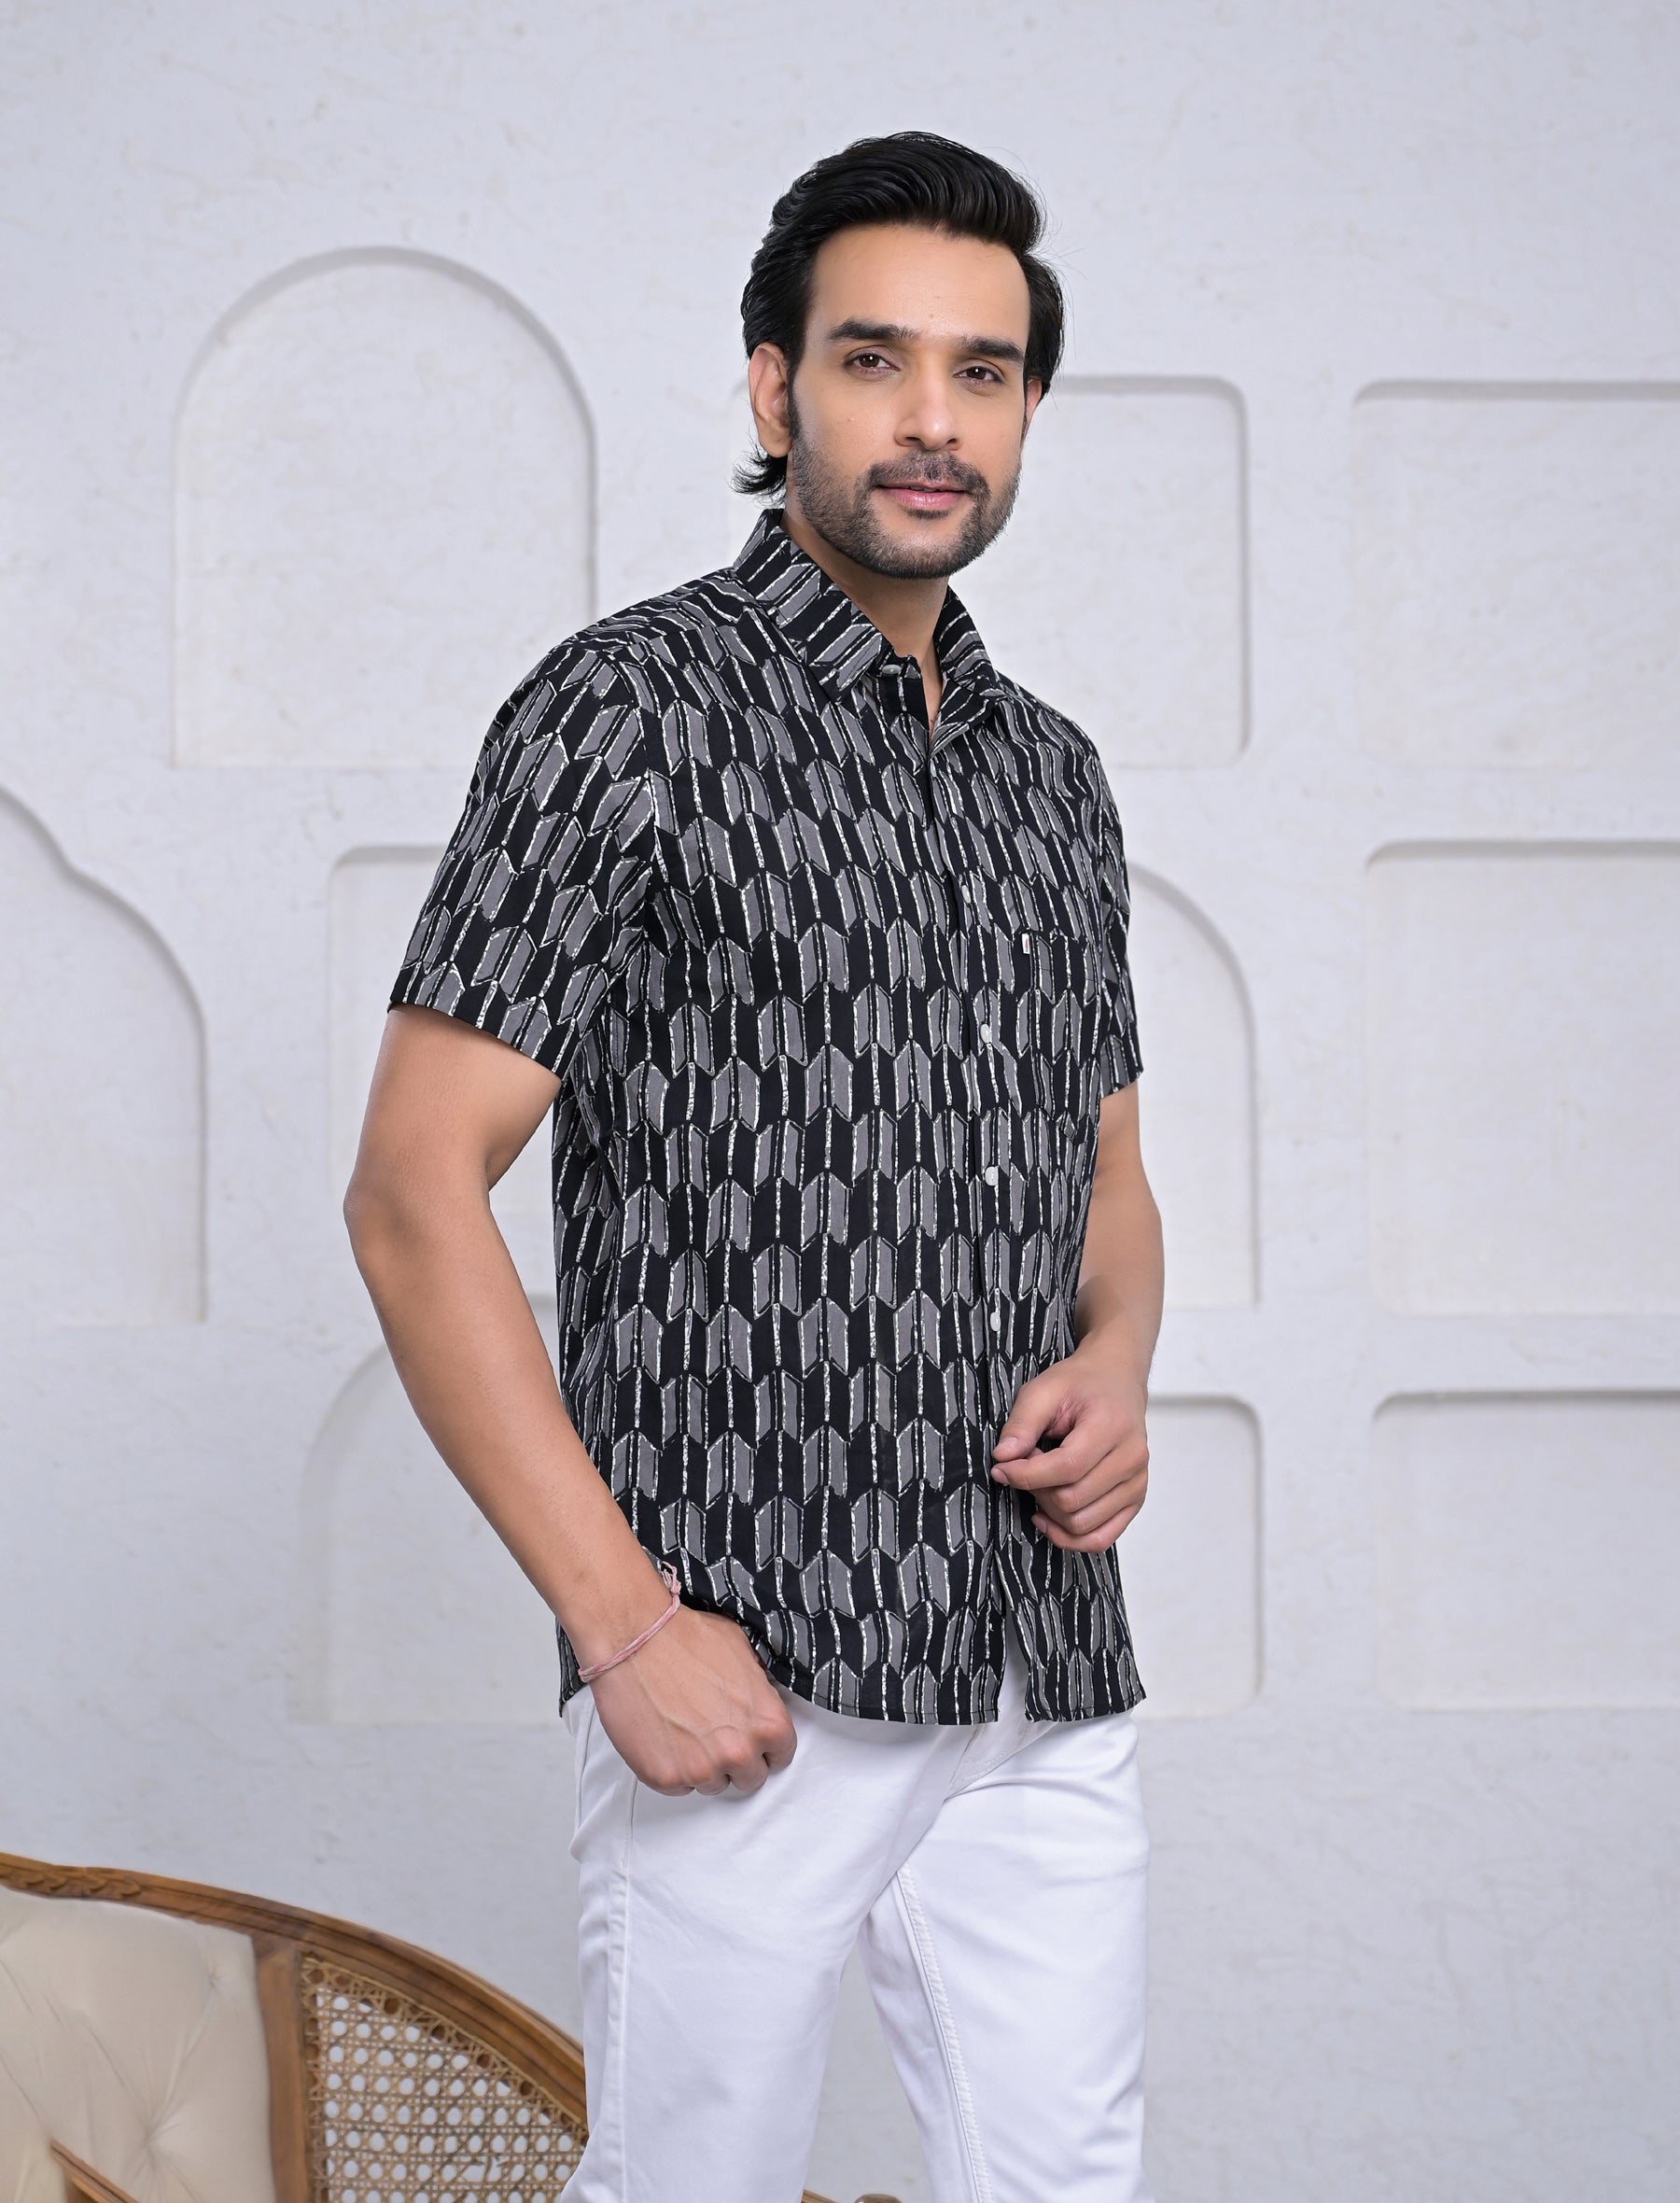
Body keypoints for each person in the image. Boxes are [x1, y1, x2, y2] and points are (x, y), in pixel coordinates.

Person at [344, 129, 1165, 2203]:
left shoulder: (1053, 779)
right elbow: (412, 1189)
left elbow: (1109, 1175)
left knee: (1067, 2182)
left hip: (1036, 1655)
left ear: (1028, 412)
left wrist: (1121, 1362)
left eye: (983, 372)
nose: (932, 419)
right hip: (752, 1649)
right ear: (774, 385)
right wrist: (623, 1625)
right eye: (876, 359)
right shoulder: (625, 714)